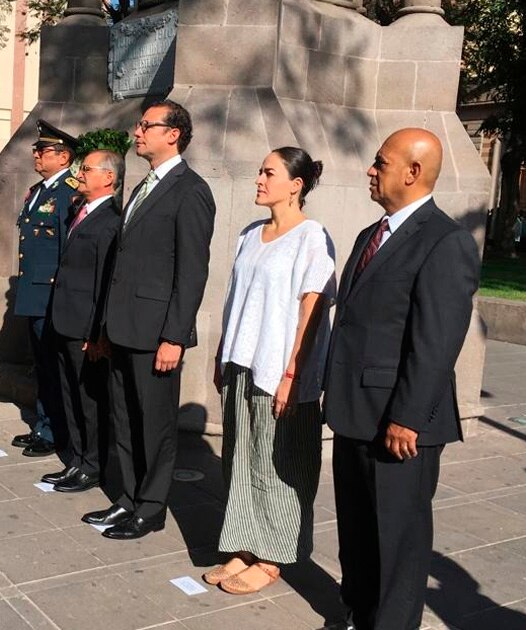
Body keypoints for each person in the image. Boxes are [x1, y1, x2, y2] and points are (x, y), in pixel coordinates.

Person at [323, 128, 479, 630]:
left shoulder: (445, 241)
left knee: (398, 540)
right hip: (355, 412)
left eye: (380, 163)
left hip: (399, 423)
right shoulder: (373, 233)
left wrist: (407, 418)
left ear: (412, 172)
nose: (371, 170)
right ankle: (360, 612)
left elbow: (435, 343)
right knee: (359, 531)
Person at [202, 148, 335, 594]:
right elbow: (236, 300)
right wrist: (224, 349)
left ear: (296, 184)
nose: (258, 179)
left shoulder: (311, 237)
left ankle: (274, 554)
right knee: (240, 457)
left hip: (279, 371)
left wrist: (293, 374)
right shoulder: (249, 233)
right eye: (259, 170)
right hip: (241, 363)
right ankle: (242, 542)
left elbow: (311, 310)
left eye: (268, 172)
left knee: (280, 463)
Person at [84, 100, 215, 540]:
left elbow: (192, 272)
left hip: (156, 332)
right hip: (122, 327)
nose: (137, 132)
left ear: (173, 133)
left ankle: (152, 508)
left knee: (155, 425)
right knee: (124, 420)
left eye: (146, 125)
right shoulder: (143, 186)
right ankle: (128, 498)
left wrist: (174, 337)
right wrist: (103, 328)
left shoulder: (190, 189)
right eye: (139, 125)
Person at [42, 149, 123, 493]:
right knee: (69, 394)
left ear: (108, 177)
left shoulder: (111, 219)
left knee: (89, 401)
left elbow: (106, 282)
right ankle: (76, 459)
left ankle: (93, 464)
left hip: (85, 326)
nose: (80, 174)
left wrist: (97, 333)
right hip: (63, 319)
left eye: (87, 169)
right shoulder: (81, 210)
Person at [8, 120, 80, 458]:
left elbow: (68, 249)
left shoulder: (68, 190)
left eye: (43, 150)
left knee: (54, 367)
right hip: (33, 294)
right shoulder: (39, 191)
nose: (36, 154)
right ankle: (42, 424)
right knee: (42, 365)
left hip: (50, 295)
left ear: (63, 156)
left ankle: (54, 432)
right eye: (36, 149)